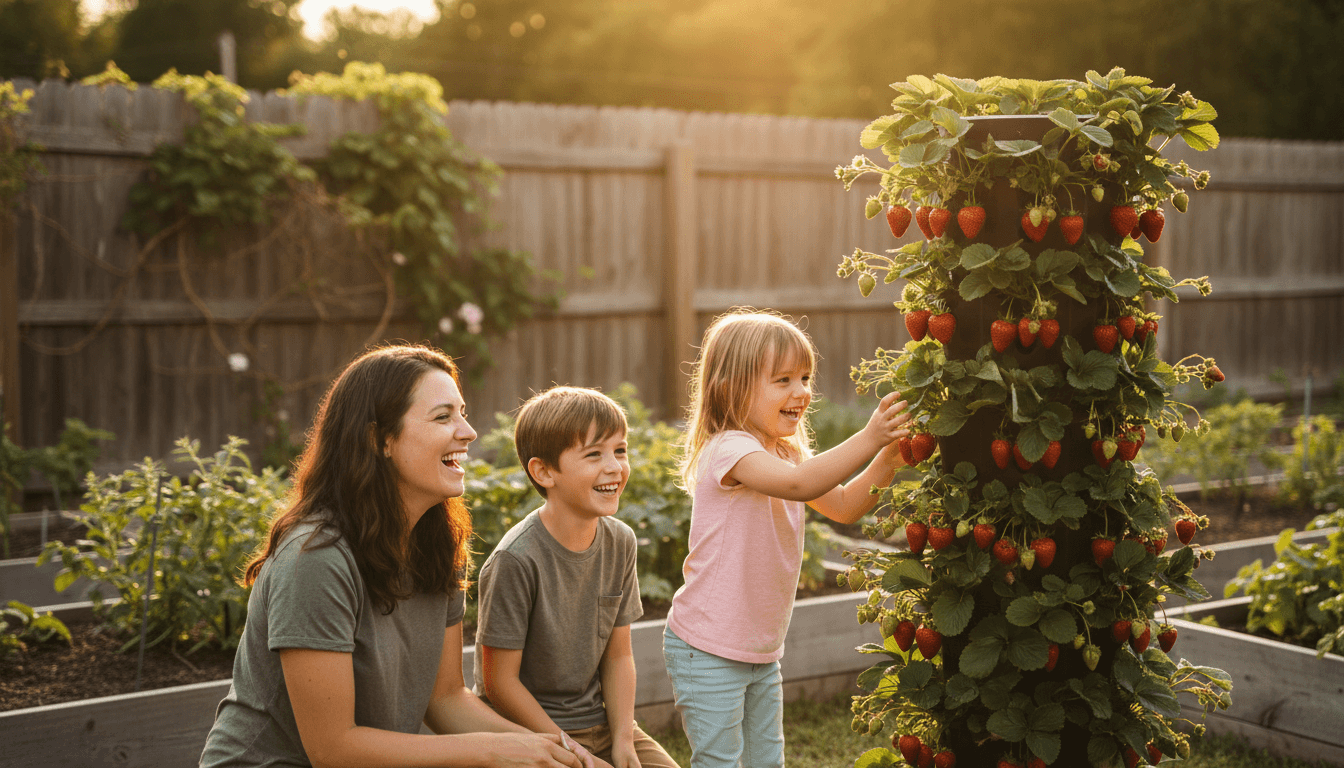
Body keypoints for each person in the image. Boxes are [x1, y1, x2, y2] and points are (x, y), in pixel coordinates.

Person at [200, 344, 583, 768]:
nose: (468, 432)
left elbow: (446, 699)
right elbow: (333, 749)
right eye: (443, 417)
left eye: (463, 413)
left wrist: (560, 751)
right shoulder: (316, 559)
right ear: (379, 440)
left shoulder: (436, 542)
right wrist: (491, 751)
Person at [663, 309, 911, 768]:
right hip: (707, 644)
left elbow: (841, 506)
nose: (801, 392)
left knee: (767, 760)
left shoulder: (785, 451)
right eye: (782, 380)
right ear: (730, 387)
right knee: (719, 760)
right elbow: (802, 486)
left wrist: (887, 462)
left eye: (804, 377)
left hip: (758, 647)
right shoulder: (730, 449)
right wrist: (869, 436)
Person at [474, 387, 679, 768]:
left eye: (620, 450)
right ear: (544, 471)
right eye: (594, 454)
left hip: (600, 723)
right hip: (526, 731)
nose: (615, 467)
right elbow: (498, 685)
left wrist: (623, 742)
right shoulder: (514, 560)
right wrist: (573, 753)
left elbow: (618, 657)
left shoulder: (620, 541)